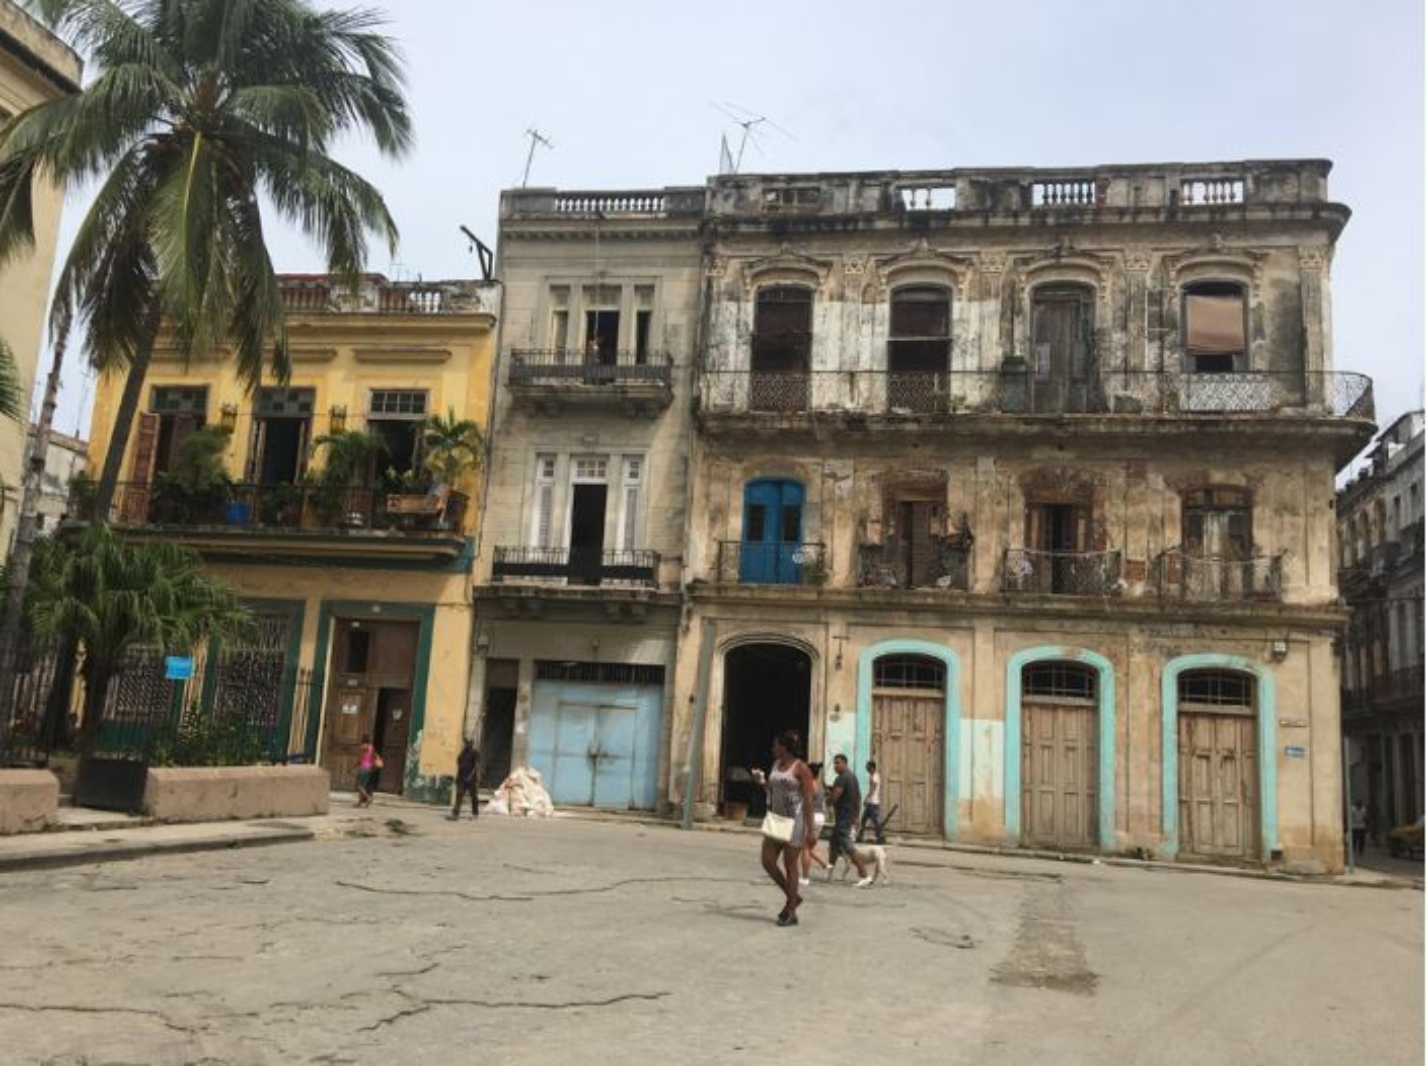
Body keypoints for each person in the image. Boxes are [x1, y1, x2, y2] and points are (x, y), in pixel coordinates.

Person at [752, 730, 818, 927]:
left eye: (775, 745)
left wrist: (811, 829)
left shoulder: (801, 768)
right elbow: (772, 790)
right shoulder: (775, 765)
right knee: (768, 861)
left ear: (785, 747)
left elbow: (808, 800)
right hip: (777, 819)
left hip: (795, 821)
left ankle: (790, 910)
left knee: (791, 866)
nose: (772, 748)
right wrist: (761, 782)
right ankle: (793, 896)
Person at [828, 753, 871, 886]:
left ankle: (864, 874)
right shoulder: (853, 777)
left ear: (845, 764)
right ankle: (829, 871)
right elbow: (858, 797)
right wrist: (857, 816)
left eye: (838, 763)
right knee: (834, 844)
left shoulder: (841, 778)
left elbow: (835, 796)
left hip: (843, 817)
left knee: (848, 846)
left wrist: (828, 800)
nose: (835, 766)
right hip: (848, 816)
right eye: (834, 763)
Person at [799, 761, 830, 885]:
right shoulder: (820, 785)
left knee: (805, 848)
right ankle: (825, 865)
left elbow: (808, 804)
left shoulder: (809, 785)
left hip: (811, 816)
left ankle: (805, 878)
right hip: (820, 816)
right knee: (809, 846)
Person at [449, 738, 480, 820]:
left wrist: (470, 776)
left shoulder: (475, 753)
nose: (466, 745)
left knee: (473, 796)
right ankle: (455, 814)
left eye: (468, 743)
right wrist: (458, 777)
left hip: (471, 779)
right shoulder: (462, 753)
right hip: (461, 778)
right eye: (465, 743)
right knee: (459, 795)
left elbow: (476, 766)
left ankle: (475, 813)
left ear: (472, 744)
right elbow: (458, 763)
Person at [859, 758, 886, 844]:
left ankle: (881, 837)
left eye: (867, 767)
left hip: (873, 803)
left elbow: (873, 788)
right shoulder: (874, 776)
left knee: (875, 822)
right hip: (872, 803)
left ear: (872, 767)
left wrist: (867, 798)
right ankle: (860, 836)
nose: (866, 768)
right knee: (864, 820)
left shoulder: (875, 776)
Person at [355, 735, 382, 808]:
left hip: (363, 768)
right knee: (364, 786)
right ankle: (360, 802)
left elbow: (360, 759)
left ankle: (368, 798)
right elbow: (376, 756)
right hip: (370, 769)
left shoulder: (363, 747)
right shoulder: (372, 748)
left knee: (359, 785)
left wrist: (356, 766)